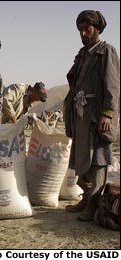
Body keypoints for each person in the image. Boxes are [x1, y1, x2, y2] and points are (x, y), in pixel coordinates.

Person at [64, 10, 120, 221]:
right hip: (81, 114)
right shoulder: (82, 54)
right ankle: (86, 198)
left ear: (97, 29)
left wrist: (107, 114)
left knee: (97, 158)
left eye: (87, 28)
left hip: (97, 115)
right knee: (82, 157)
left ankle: (94, 203)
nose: (83, 33)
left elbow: (113, 85)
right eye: (80, 29)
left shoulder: (106, 51)